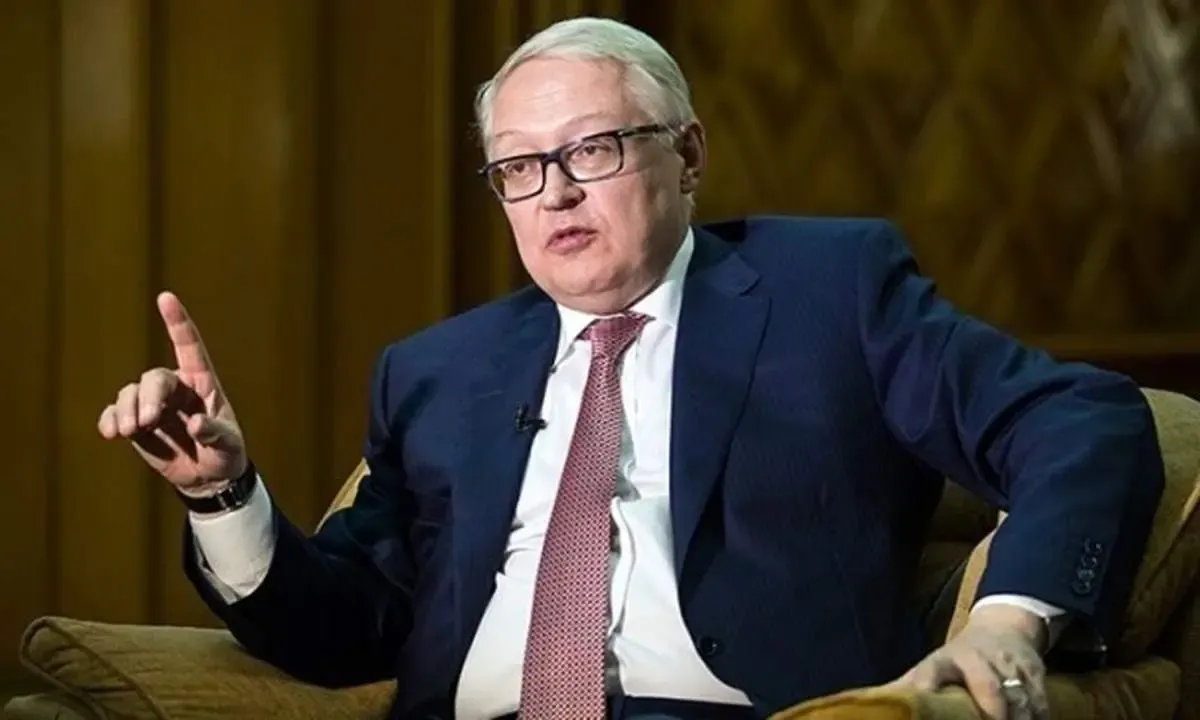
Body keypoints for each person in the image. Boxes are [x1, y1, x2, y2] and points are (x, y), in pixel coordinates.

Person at [97, 16, 1164, 720]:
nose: (555, 192)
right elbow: (345, 628)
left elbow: (1081, 419)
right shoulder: (437, 373)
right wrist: (222, 492)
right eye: (519, 168)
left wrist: (1008, 621)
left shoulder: (831, 293)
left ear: (687, 156)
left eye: (591, 150)